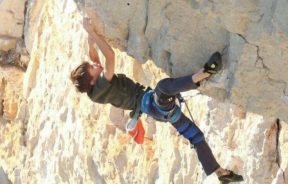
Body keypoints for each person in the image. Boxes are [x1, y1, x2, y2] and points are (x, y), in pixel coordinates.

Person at [70, 17, 244, 183]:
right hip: (151, 103)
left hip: (158, 112)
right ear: (93, 80)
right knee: (162, 88)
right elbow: (109, 56)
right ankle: (205, 73)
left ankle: (221, 174)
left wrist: (90, 39)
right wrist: (91, 33)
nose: (94, 64)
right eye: (92, 68)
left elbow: (94, 61)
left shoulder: (94, 92)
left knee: (196, 137)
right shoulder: (102, 83)